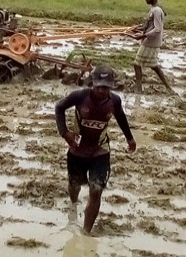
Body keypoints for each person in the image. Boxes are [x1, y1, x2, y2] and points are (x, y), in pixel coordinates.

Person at [54, 65, 136, 235]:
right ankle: (73, 206)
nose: (101, 90)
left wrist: (129, 138)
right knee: (74, 184)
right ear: (92, 84)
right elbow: (59, 107)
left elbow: (121, 117)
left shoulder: (114, 101)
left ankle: (85, 233)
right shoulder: (79, 96)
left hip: (100, 151)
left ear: (111, 86)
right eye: (99, 86)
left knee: (96, 189)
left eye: (105, 87)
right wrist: (65, 133)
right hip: (77, 150)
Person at [131, 0, 174, 93]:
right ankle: (168, 88)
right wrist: (139, 28)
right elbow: (150, 25)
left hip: (150, 42)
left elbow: (157, 29)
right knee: (154, 66)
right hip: (152, 41)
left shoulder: (156, 11)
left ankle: (139, 89)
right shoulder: (154, 9)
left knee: (137, 64)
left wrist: (143, 35)